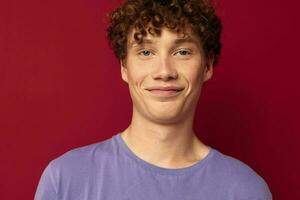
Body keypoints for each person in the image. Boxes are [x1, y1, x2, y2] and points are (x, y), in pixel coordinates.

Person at [34, 0, 272, 199]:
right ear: (125, 68)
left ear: (207, 65)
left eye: (182, 52)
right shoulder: (65, 179)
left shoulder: (246, 190)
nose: (164, 71)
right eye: (146, 52)